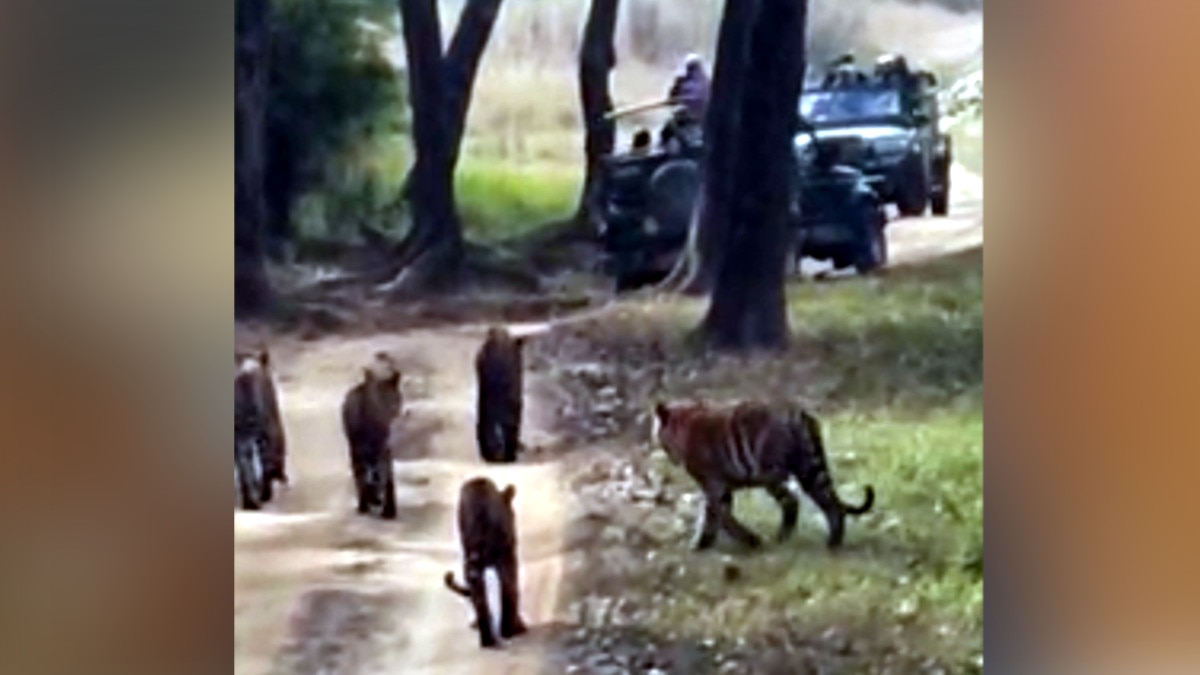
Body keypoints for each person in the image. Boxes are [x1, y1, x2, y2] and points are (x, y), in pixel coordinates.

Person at [668, 53, 710, 121]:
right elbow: (672, 102)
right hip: (702, 119)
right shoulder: (708, 82)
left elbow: (671, 102)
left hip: (689, 118)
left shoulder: (683, 83)